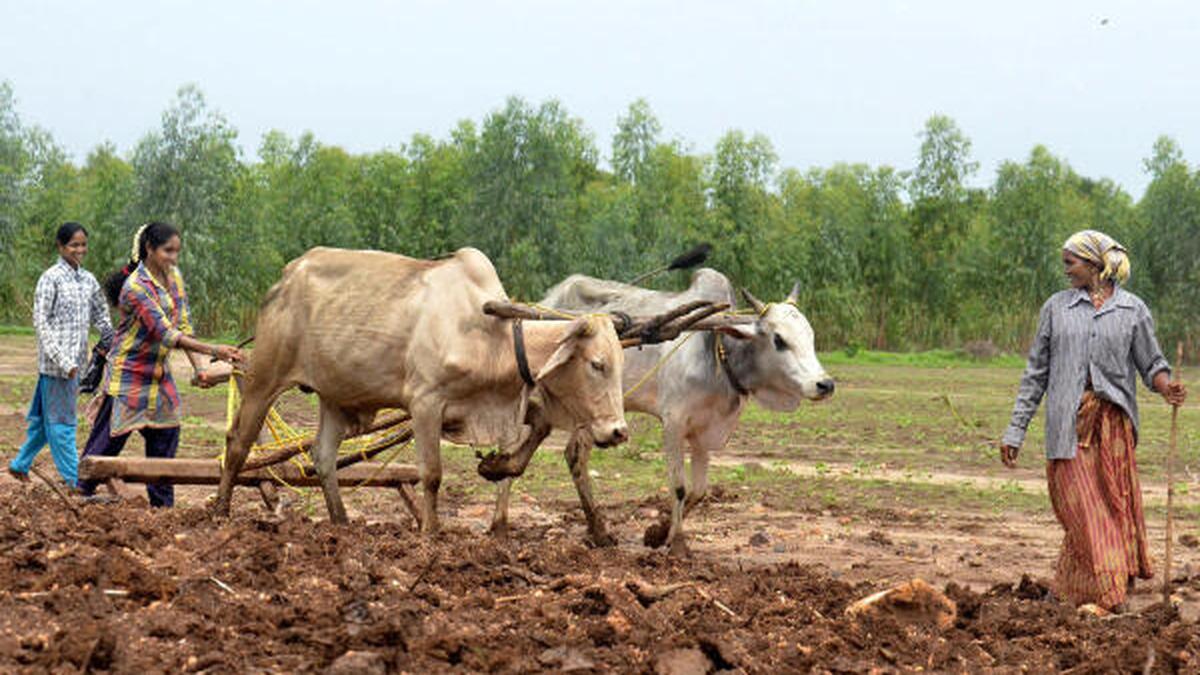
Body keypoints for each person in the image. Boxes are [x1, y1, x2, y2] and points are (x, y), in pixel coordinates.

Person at [1000, 229, 1187, 612]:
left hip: (1112, 429)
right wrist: (1016, 429)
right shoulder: (1056, 308)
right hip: (1067, 430)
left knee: (1109, 513)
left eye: (1071, 263)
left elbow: (1151, 363)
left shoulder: (1132, 309)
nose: (1066, 271)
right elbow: (1036, 373)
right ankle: (1110, 595)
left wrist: (1166, 386)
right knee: (1085, 512)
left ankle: (1069, 594)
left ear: (1095, 264)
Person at [78, 222, 242, 507]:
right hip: (128, 377)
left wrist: (200, 368)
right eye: (168, 251)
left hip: (157, 376)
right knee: (105, 445)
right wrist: (214, 349)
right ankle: (79, 493)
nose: (174, 258)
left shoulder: (174, 277)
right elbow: (166, 334)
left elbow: (184, 324)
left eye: (177, 251)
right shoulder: (135, 287)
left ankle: (162, 507)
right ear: (149, 249)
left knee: (166, 437)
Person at [8, 222, 115, 487]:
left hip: (76, 364)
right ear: (61, 246)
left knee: (48, 422)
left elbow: (101, 314)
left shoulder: (88, 279)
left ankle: (20, 464)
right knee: (63, 424)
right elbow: (41, 323)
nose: (80, 250)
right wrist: (63, 361)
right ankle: (73, 480)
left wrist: (113, 340)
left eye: (83, 245)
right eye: (74, 245)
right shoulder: (50, 278)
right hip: (57, 367)